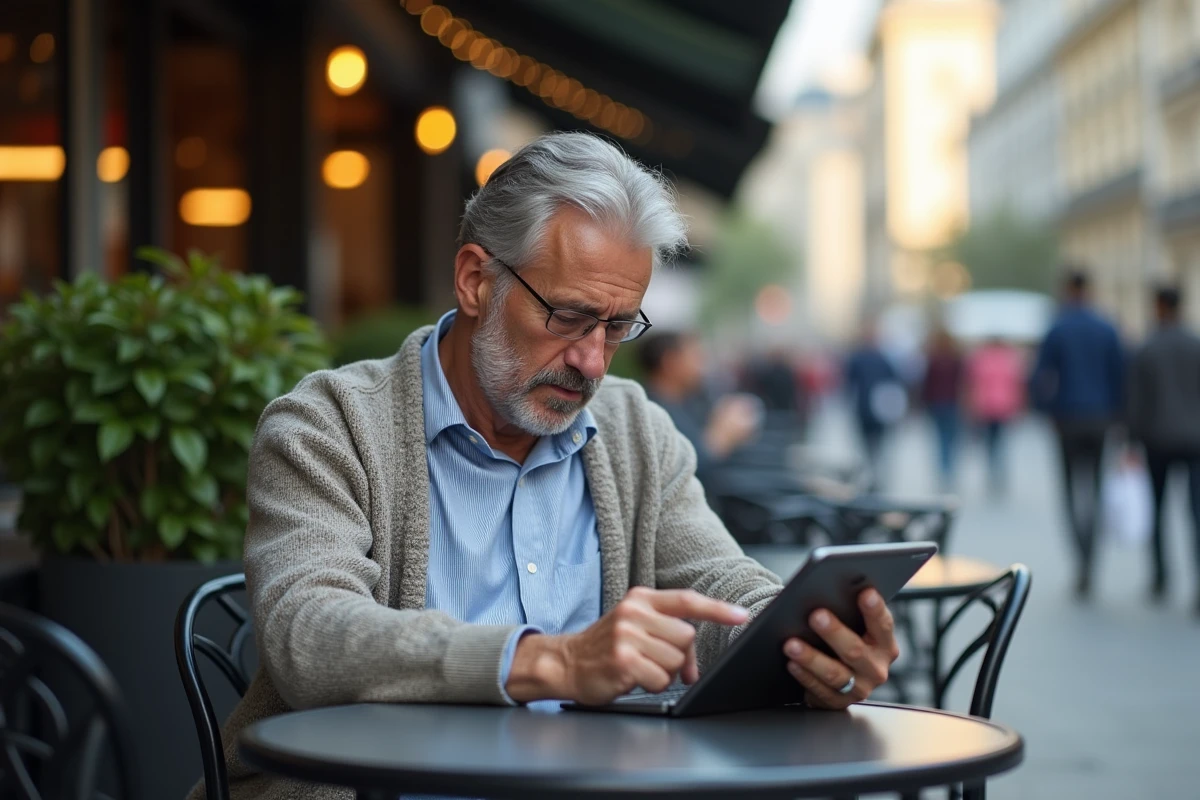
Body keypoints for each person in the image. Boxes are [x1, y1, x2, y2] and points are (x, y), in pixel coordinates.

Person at [200, 133, 900, 800]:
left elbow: (716, 581)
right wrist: (553, 662)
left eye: (618, 327)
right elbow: (311, 634)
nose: (592, 361)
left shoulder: (632, 428)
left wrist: (801, 641)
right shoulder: (329, 425)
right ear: (476, 281)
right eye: (568, 317)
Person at [1030, 268, 1125, 599]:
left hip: (1067, 418)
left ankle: (1081, 558)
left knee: (1071, 491)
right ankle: (1092, 557)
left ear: (1067, 289)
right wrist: (1118, 417)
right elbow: (1120, 375)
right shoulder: (1107, 327)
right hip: (1100, 419)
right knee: (1096, 489)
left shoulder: (1058, 327)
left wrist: (1046, 410)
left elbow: (1041, 375)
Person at [1127, 286, 1200, 612]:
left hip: (1157, 440)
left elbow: (1136, 401)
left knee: (1157, 510)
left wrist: (1131, 440)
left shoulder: (1148, 347)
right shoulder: (1195, 345)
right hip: (1195, 440)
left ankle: (1160, 575)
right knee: (1196, 514)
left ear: (1158, 306)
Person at [638, 331, 761, 489]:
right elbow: (684, 472)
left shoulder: (688, 401)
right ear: (670, 362)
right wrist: (723, 436)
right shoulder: (648, 412)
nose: (703, 366)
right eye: (696, 357)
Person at [844, 323, 904, 490]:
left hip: (866, 407)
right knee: (878, 443)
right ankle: (875, 471)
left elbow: (849, 383)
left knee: (868, 444)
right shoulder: (883, 358)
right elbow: (895, 381)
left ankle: (872, 471)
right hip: (878, 408)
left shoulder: (857, 357)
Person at [965, 337, 1025, 497]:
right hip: (1004, 406)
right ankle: (999, 471)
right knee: (1001, 441)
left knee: (990, 442)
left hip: (985, 406)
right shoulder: (1009, 360)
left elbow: (973, 384)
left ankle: (993, 469)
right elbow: (1017, 385)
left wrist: (971, 406)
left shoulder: (980, 359)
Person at [921, 328, 964, 493]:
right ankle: (948, 469)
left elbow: (927, 385)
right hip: (951, 404)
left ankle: (945, 470)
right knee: (951, 439)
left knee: (941, 439)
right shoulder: (956, 359)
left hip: (938, 404)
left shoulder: (933, 359)